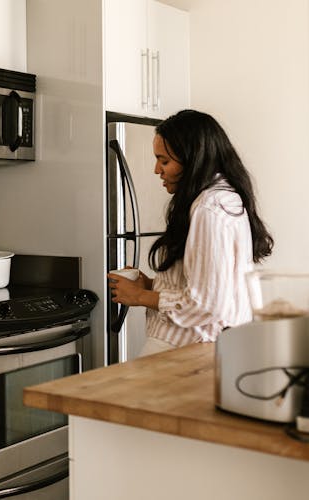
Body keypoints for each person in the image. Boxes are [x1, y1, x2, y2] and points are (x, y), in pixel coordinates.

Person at [108, 109, 273, 357]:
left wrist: (140, 296)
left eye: (164, 161)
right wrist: (153, 285)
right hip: (205, 346)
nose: (156, 170)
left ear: (192, 159)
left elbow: (208, 305)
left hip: (186, 347)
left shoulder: (209, 209)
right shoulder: (222, 198)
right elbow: (210, 287)